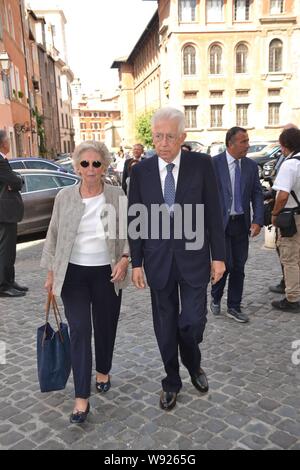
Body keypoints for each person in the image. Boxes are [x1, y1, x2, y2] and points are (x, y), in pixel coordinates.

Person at [128, 107, 226, 411]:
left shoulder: (201, 165)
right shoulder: (140, 171)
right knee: (165, 325)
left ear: (182, 136)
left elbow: (214, 212)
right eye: (158, 136)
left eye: (170, 136)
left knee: (192, 322)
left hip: (195, 259)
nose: (164, 142)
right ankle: (172, 380)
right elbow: (135, 219)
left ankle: (193, 362)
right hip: (158, 262)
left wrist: (219, 257)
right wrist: (136, 262)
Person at [41, 140, 130, 424]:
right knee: (79, 331)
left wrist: (125, 259)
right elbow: (53, 235)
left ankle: (103, 369)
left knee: (105, 327)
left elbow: (130, 233)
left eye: (96, 163)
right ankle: (81, 396)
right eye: (85, 164)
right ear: (77, 167)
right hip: (73, 276)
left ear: (104, 166)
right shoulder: (64, 197)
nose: (91, 169)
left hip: (107, 273)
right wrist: (51, 273)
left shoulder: (117, 194)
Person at [211, 127, 264, 323]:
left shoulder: (251, 166)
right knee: (225, 265)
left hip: (241, 224)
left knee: (239, 267)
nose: (248, 145)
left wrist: (258, 219)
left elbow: (257, 193)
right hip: (220, 226)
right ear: (230, 144)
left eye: (248, 141)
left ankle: (234, 306)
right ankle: (215, 295)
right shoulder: (214, 164)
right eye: (244, 142)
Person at [271, 127, 300, 313]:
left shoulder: (290, 165)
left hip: (291, 217)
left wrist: (274, 214)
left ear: (285, 146)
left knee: (289, 258)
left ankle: (293, 298)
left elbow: (282, 196)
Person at [0, 130, 27, 298]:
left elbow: (13, 180)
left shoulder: (2, 160)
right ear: (3, 143)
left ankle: (10, 281)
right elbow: (15, 181)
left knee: (9, 250)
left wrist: (15, 180)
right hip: (4, 212)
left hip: (6, 212)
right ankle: (3, 285)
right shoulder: (0, 162)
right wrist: (17, 180)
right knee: (5, 250)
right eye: (9, 140)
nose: (10, 143)